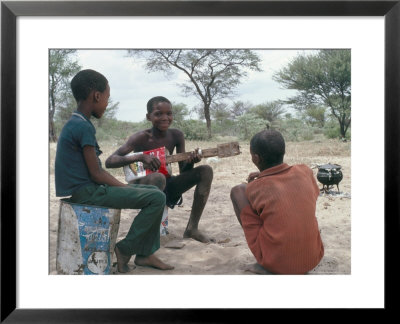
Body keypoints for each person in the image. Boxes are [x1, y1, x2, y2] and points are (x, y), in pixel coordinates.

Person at [55, 70, 174, 273]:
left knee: (155, 194)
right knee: (156, 198)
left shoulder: (76, 122)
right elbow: (97, 173)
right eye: (107, 98)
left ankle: (144, 254)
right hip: (89, 192)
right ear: (97, 95)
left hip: (89, 189)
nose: (107, 103)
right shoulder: (83, 127)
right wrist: (125, 187)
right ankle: (126, 249)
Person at [105, 96, 214, 243]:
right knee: (158, 177)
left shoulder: (176, 135)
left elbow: (184, 172)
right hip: (145, 187)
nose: (165, 118)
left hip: (168, 185)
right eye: (158, 114)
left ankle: (192, 229)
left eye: (169, 113)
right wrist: (140, 157)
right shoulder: (141, 137)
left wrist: (191, 162)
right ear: (148, 116)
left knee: (206, 170)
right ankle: (148, 234)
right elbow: (110, 161)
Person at [230, 130, 324, 274]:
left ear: (256, 158)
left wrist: (259, 180)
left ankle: (264, 262)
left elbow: (256, 202)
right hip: (312, 258)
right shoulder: (305, 171)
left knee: (237, 191)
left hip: (277, 264)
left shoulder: (256, 187)